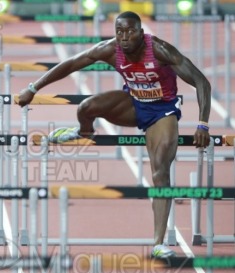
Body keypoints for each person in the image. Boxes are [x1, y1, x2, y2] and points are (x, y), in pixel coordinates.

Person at [18, 11, 211, 258]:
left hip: (162, 112)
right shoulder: (109, 50)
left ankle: (158, 243)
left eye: (130, 31)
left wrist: (203, 124)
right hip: (133, 105)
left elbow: (201, 82)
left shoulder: (161, 50)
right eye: (119, 32)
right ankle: (83, 132)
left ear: (141, 33)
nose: (125, 37)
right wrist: (33, 88)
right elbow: (71, 64)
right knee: (86, 107)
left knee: (160, 172)